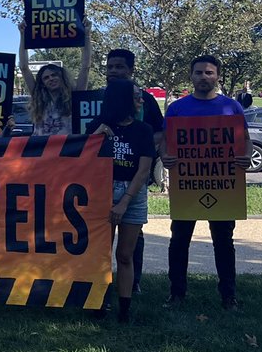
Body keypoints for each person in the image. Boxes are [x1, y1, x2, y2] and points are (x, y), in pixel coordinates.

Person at [161, 55, 250, 310]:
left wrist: (246, 157)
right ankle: (177, 293)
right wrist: (165, 156)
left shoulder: (231, 107)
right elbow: (165, 140)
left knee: (224, 241)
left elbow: (246, 139)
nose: (203, 77)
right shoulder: (177, 108)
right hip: (187, 185)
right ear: (191, 76)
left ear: (217, 76)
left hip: (223, 185)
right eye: (198, 72)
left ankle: (228, 295)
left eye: (209, 72)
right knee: (179, 240)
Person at [90, 80, 154, 323]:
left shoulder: (143, 130)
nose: (141, 100)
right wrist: (95, 137)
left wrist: (124, 202)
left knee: (125, 254)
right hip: (101, 193)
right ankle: (100, 301)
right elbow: (81, 161)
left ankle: (124, 308)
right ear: (122, 99)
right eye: (136, 96)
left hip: (132, 195)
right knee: (101, 254)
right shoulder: (98, 126)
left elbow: (144, 170)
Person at [105, 48, 166, 294]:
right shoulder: (100, 97)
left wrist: (141, 146)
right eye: (110, 67)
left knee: (132, 240)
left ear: (131, 70)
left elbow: (160, 132)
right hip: (104, 184)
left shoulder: (146, 100)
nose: (113, 71)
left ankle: (133, 282)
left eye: (119, 67)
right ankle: (102, 291)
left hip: (134, 180)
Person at [16, 24, 91, 135]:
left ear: (61, 77)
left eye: (54, 75)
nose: (51, 79)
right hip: (40, 145)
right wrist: (23, 35)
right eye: (46, 78)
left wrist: (86, 35)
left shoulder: (75, 96)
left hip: (67, 145)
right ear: (42, 83)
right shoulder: (38, 97)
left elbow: (85, 67)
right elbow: (24, 67)